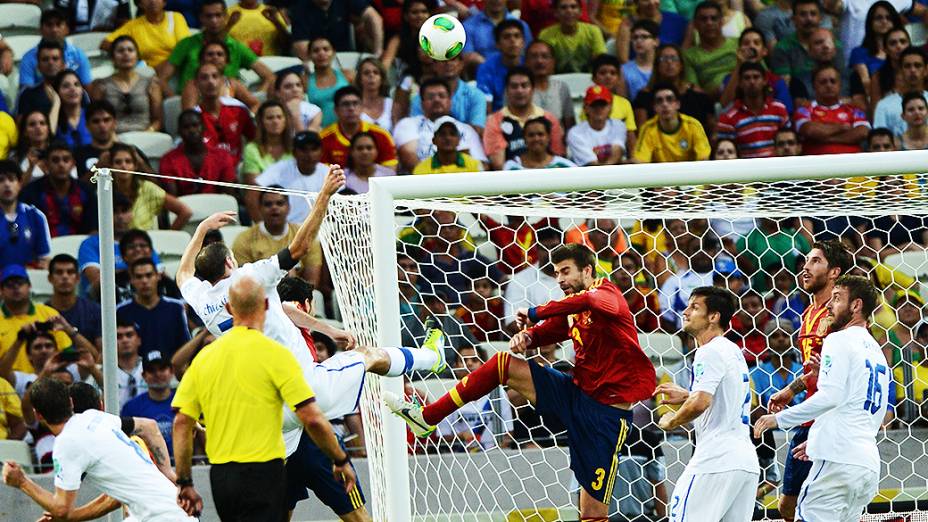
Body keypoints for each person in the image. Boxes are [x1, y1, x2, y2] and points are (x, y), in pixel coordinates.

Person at [176, 172, 443, 519]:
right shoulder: (250, 277)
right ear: (231, 262)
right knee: (368, 356)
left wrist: (199, 231)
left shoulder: (203, 300)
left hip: (270, 419)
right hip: (306, 390)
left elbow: (183, 273)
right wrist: (324, 196)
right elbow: (299, 248)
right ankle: (431, 358)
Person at [386, 243, 657, 520]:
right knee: (502, 364)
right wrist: (529, 337)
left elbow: (589, 302)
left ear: (587, 270)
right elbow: (557, 328)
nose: (560, 279)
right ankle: (427, 418)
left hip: (605, 416)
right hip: (576, 395)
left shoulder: (607, 293)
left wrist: (536, 312)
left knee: (592, 513)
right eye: (556, 274)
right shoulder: (577, 306)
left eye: (566, 272)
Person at [170, 275, 355, 520]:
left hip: (222, 477)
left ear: (228, 308)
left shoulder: (205, 357)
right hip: (265, 470)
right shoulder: (277, 355)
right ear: (268, 306)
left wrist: (184, 481)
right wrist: (340, 458)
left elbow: (182, 423)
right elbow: (311, 417)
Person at [756, 275, 889, 522]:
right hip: (866, 466)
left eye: (837, 299)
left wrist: (779, 419)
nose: (829, 305)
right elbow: (869, 414)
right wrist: (821, 439)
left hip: (837, 463)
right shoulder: (878, 353)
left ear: (856, 305)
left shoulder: (837, 339)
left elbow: (830, 396)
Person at [1, 378, 196, 520]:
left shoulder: (66, 443)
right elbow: (149, 426)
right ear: (70, 402)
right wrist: (167, 473)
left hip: (160, 517)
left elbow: (61, 509)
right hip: (173, 510)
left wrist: (22, 482)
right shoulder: (96, 417)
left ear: (38, 415)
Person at [764, 239, 853, 522]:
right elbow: (814, 368)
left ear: (834, 272)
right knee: (789, 504)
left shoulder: (840, 315)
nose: (806, 267)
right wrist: (791, 390)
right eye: (806, 261)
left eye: (815, 261)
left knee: (815, 505)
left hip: (831, 419)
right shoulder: (808, 313)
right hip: (811, 415)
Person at [654, 286, 760, 521]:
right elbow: (721, 394)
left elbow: (701, 403)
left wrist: (672, 420)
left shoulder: (708, 352)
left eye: (694, 307)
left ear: (713, 317)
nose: (685, 312)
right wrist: (687, 394)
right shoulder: (732, 350)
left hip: (715, 460)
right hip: (744, 462)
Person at [159, 0, 274, 93]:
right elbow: (162, 79)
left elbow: (269, 76)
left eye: (218, 15)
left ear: (225, 17)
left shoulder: (236, 47)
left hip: (227, 106)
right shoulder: (187, 44)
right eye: (209, 16)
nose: (214, 20)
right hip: (191, 108)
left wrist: (257, 97)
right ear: (201, 18)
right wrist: (173, 101)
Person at [394, 79, 487, 173]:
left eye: (442, 96)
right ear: (422, 103)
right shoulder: (408, 124)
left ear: (450, 101)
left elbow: (482, 165)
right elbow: (409, 158)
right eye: (431, 97)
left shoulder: (466, 129)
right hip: (423, 181)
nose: (437, 100)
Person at [232, 190, 322, 285]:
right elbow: (241, 282)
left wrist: (292, 283)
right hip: (259, 296)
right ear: (260, 208)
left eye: (280, 203)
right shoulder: (244, 239)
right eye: (268, 204)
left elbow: (313, 282)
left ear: (288, 207)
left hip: (297, 295)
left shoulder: (305, 237)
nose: (274, 208)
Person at [485, 67, 566, 170]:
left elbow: (558, 156)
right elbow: (499, 165)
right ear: (506, 90)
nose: (519, 91)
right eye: (514, 86)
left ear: (533, 89)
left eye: (524, 86)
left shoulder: (549, 119)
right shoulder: (495, 121)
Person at [116, 258, 191, 359]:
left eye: (149, 275)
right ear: (131, 280)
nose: (144, 281)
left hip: (170, 371)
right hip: (136, 372)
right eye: (139, 277)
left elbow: (184, 344)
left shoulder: (176, 308)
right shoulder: (121, 311)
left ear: (158, 276)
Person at [106, 143, 192, 230]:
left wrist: (169, 237)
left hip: (144, 241)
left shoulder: (148, 188)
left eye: (128, 161)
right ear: (110, 166)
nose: (123, 166)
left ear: (135, 166)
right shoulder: (104, 189)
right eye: (118, 162)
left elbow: (185, 211)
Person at [19, 142, 97, 238]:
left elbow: (94, 229)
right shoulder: (31, 192)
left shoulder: (86, 191)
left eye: (66, 160)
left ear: (73, 164)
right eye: (55, 160)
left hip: (80, 247)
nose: (61, 164)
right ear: (46, 165)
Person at [249, 131, 329, 223]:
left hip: (320, 231)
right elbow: (252, 194)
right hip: (285, 230)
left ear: (321, 152)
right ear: (294, 152)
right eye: (304, 150)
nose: (309, 155)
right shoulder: (280, 169)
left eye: (314, 149)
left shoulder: (328, 173)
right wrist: (262, 226)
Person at [89, 35, 163, 133]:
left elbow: (158, 120)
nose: (126, 54)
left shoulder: (150, 84)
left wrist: (147, 134)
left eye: (130, 50)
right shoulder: (101, 85)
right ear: (113, 58)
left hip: (146, 137)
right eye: (120, 51)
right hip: (113, 138)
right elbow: (96, 119)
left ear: (137, 56)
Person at [716, 62, 791, 158]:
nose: (752, 81)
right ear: (740, 83)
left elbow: (789, 141)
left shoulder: (779, 109)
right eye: (747, 78)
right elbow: (726, 154)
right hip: (745, 170)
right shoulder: (728, 118)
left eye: (756, 77)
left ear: (764, 80)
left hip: (776, 168)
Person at [633, 44, 714, 129]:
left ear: (681, 65)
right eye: (664, 59)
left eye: (674, 58)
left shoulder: (698, 95)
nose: (669, 62)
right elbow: (642, 129)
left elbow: (711, 127)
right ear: (657, 66)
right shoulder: (645, 96)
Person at [160, 109, 238, 197]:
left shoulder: (222, 156)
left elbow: (228, 195)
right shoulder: (168, 160)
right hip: (183, 208)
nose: (192, 130)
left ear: (204, 128)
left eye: (195, 125)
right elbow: (172, 198)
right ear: (179, 131)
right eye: (186, 127)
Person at [795, 65, 870, 155]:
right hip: (816, 162)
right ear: (814, 86)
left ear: (840, 85)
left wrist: (823, 137)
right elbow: (809, 130)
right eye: (823, 82)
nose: (828, 85)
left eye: (833, 81)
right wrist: (841, 127)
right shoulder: (804, 110)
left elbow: (862, 132)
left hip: (850, 162)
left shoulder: (853, 109)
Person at [320, 86, 398, 170]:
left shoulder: (381, 135)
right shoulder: (324, 138)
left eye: (355, 103)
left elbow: (390, 170)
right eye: (345, 104)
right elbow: (323, 174)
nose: (351, 108)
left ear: (362, 108)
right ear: (336, 110)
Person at [720, 28, 793, 114]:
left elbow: (786, 110)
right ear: (739, 51)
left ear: (764, 51)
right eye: (746, 43)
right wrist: (739, 65)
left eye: (756, 43)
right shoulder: (731, 79)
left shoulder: (776, 80)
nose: (751, 46)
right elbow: (724, 104)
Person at [633, 83, 711, 163]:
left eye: (669, 99)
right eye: (659, 101)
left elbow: (703, 158)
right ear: (654, 107)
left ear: (678, 104)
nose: (665, 104)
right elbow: (640, 161)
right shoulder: (648, 128)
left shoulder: (693, 125)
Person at [410, 53, 488, 132]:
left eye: (453, 59)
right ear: (434, 65)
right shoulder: (420, 98)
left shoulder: (476, 95)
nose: (448, 63)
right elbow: (415, 130)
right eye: (443, 60)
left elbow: (477, 130)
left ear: (461, 64)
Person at [102, 0, 191, 68]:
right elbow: (105, 43)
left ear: (164, 2)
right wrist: (131, 52)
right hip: (147, 71)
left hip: (177, 67)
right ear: (140, 4)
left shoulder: (176, 17)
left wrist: (165, 66)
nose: (153, 1)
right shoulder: (133, 25)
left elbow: (184, 47)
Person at [17, 9, 92, 88]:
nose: (54, 30)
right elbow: (27, 93)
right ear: (40, 29)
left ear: (67, 29)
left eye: (58, 24)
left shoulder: (78, 55)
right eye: (49, 25)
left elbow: (87, 89)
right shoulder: (29, 58)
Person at [120, 350, 176, 456]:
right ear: (144, 375)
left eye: (162, 369)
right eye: (151, 370)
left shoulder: (183, 403)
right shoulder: (131, 408)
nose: (158, 374)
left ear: (171, 371)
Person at [0, 161, 51, 269]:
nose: (7, 184)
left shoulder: (36, 216)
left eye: (11, 179)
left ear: (20, 184)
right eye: (1, 180)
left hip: (27, 281)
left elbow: (44, 259)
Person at [289, 0, 383, 57]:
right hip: (316, 59)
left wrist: (377, 52)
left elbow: (374, 18)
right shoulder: (300, 8)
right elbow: (301, 47)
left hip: (345, 56)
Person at [683, 1, 738, 98]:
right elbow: (694, 90)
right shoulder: (689, 56)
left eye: (714, 18)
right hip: (713, 104)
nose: (709, 23)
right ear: (695, 24)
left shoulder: (739, 44)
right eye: (703, 19)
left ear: (721, 22)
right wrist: (716, 92)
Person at [849, 2, 904, 98]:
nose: (884, 21)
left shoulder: (903, 50)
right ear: (870, 22)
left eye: (889, 18)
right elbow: (866, 82)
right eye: (879, 18)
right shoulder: (859, 52)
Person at [46, 254, 102, 348]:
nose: (65, 277)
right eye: (59, 272)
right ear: (50, 278)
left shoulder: (95, 311)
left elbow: (101, 356)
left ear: (78, 278)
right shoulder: (42, 313)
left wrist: (70, 331)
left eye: (70, 272)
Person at [539, 0, 607, 73]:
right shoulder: (545, 34)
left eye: (573, 7)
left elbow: (601, 60)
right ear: (556, 13)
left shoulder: (593, 31)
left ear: (580, 12)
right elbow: (544, 63)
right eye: (563, 7)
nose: (569, 11)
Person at [567, 85, 628, 166]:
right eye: (594, 105)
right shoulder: (575, 133)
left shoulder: (618, 125)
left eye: (602, 105)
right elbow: (592, 164)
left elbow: (617, 152)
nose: (598, 109)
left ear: (610, 106)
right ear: (585, 108)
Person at [874, 47, 928, 137]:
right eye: (907, 66)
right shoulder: (884, 105)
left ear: (926, 70)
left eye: (917, 65)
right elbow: (880, 141)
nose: (912, 70)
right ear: (900, 71)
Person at [476, 19, 528, 113]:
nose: (512, 40)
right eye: (506, 37)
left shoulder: (530, 64)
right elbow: (486, 107)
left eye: (517, 36)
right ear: (497, 44)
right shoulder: (487, 68)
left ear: (523, 42)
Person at [616, 0, 688, 63]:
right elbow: (623, 60)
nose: (651, 2)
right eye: (645, 0)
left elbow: (684, 55)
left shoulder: (678, 21)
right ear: (636, 2)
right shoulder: (627, 25)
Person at [526, 41, 576, 131]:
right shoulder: (518, 88)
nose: (539, 61)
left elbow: (570, 126)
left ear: (553, 62)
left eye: (545, 56)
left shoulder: (561, 87)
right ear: (526, 62)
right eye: (534, 57)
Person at [304, 37, 354, 128]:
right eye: (316, 51)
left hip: (347, 128)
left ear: (334, 52)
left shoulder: (348, 75)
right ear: (309, 55)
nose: (321, 53)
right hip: (319, 132)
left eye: (326, 49)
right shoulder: (305, 81)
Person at [16, 40, 67, 121]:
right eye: (45, 59)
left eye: (55, 58)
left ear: (64, 65)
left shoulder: (76, 92)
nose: (50, 62)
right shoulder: (27, 95)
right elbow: (22, 129)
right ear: (38, 66)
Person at [412, 120, 484, 175]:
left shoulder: (474, 165)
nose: (448, 138)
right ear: (433, 140)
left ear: (459, 140)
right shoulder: (421, 169)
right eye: (442, 134)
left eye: (452, 134)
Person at [504, 117, 577, 170]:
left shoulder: (564, 165)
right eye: (531, 135)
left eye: (540, 134)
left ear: (548, 137)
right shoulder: (512, 167)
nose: (536, 139)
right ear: (524, 139)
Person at [73, 101, 119, 179]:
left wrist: (139, 161)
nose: (102, 125)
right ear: (87, 126)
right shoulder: (77, 154)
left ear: (115, 123)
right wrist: (98, 166)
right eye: (96, 121)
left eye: (106, 120)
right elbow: (75, 188)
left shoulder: (128, 151)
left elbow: (147, 177)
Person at [355, 57, 395, 133]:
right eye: (366, 73)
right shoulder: (353, 105)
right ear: (360, 79)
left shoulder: (391, 104)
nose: (371, 75)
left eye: (376, 72)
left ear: (382, 79)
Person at [12, 112, 52, 185]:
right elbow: (16, 188)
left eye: (42, 123)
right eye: (32, 124)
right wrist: (30, 168)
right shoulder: (16, 158)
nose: (38, 127)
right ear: (25, 132)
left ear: (48, 129)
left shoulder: (59, 154)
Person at [623, 20, 659, 101]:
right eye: (635, 37)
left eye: (644, 37)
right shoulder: (623, 70)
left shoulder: (663, 67)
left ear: (656, 42)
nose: (638, 41)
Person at [54, 0, 130, 33]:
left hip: (108, 40)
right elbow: (58, 22)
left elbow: (125, 24)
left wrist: (106, 30)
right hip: (74, 39)